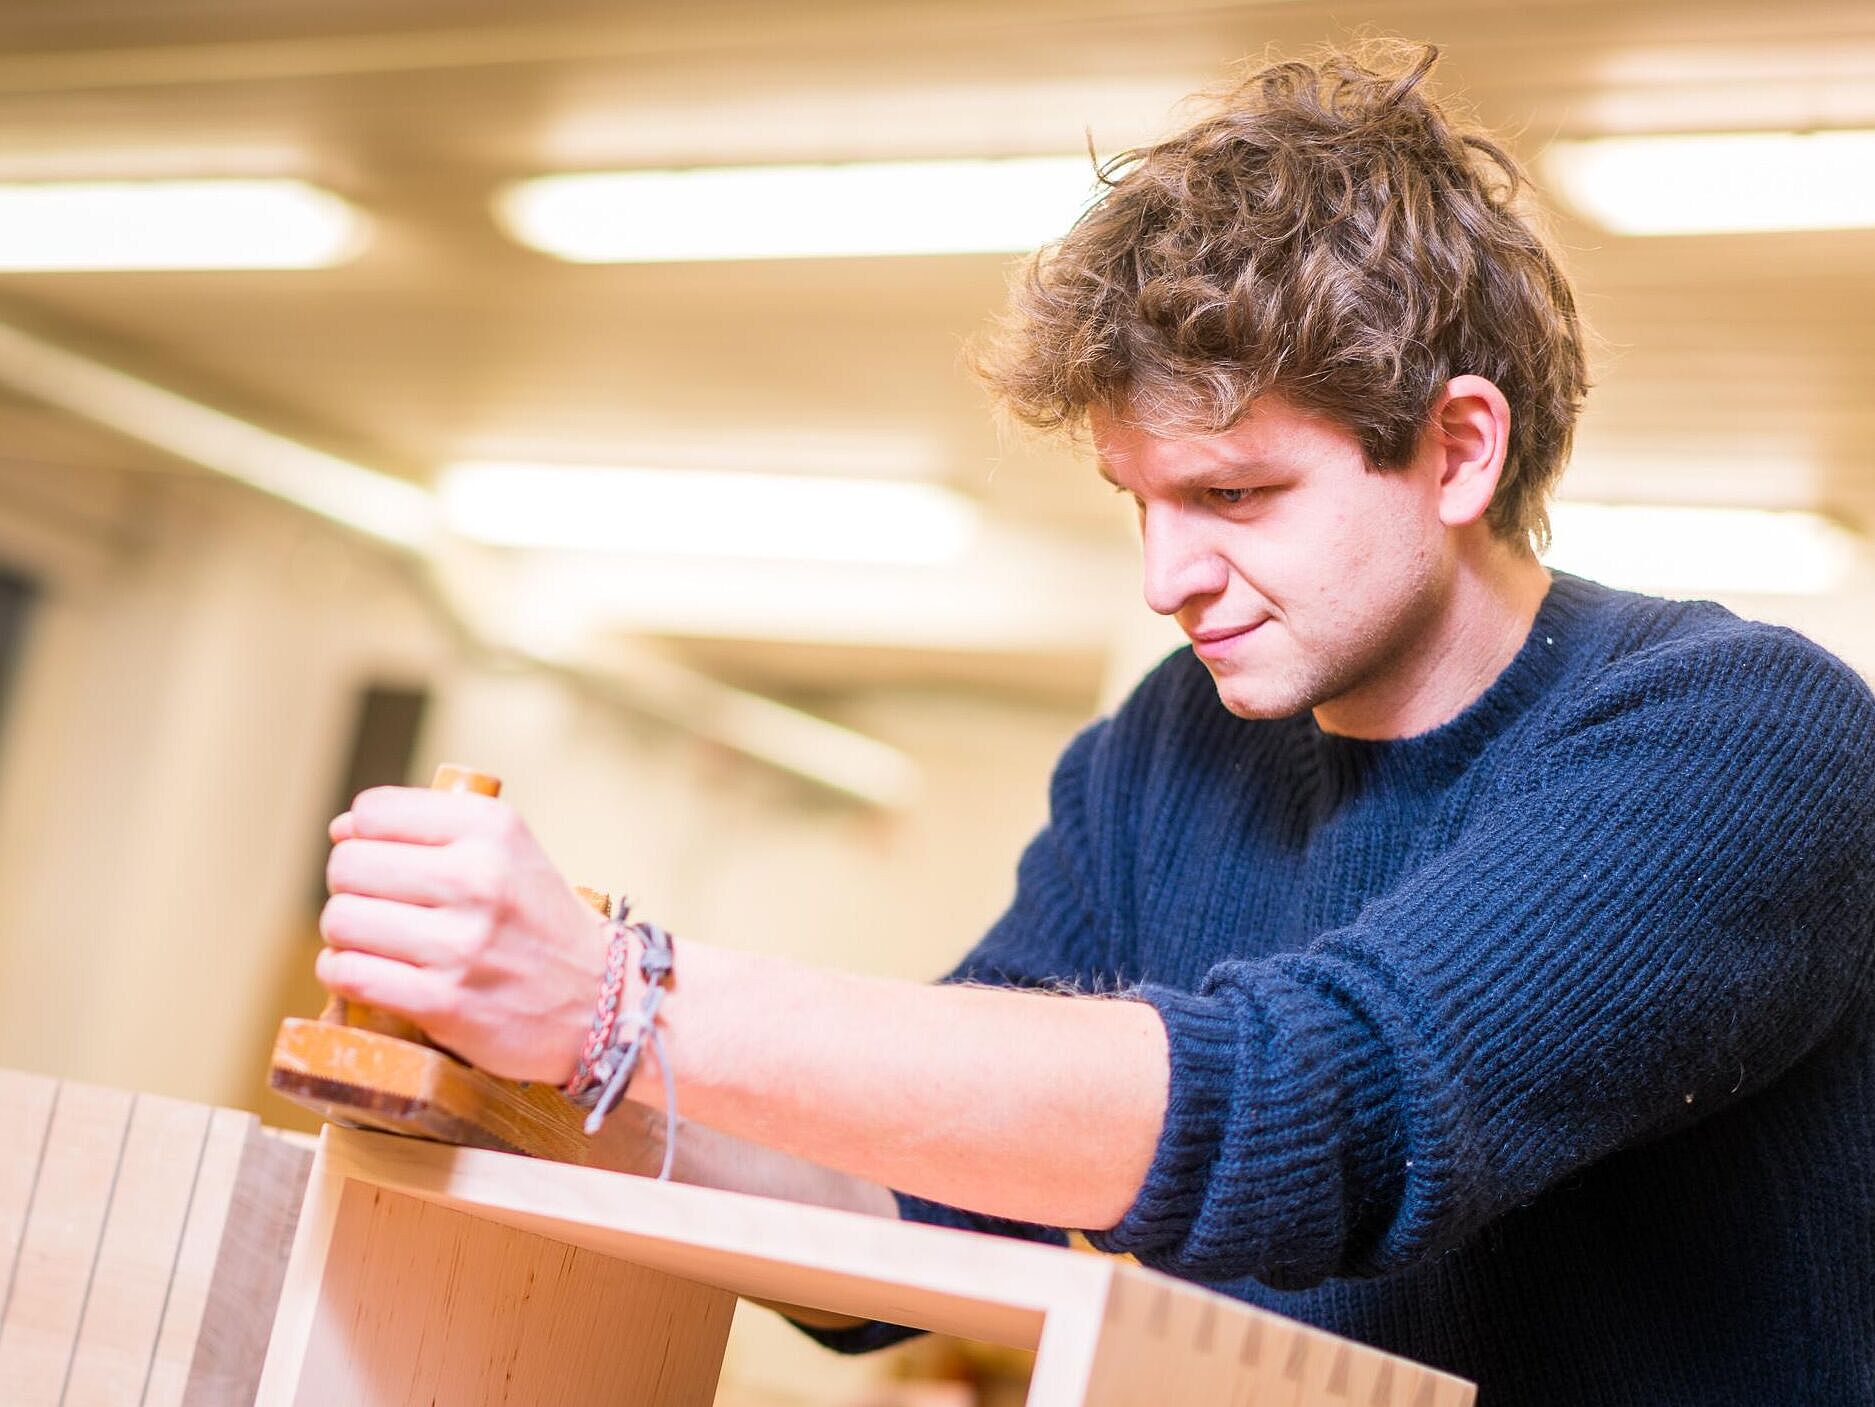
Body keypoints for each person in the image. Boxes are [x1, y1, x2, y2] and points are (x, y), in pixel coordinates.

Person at [314, 43, 1875, 1404]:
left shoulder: (1741, 744)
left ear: (1460, 451)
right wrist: (545, 1085)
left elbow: (1321, 1112)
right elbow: (917, 1212)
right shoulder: (1169, 750)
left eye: (1237, 494)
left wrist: (622, 1000)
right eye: (1140, 500)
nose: (1166, 579)